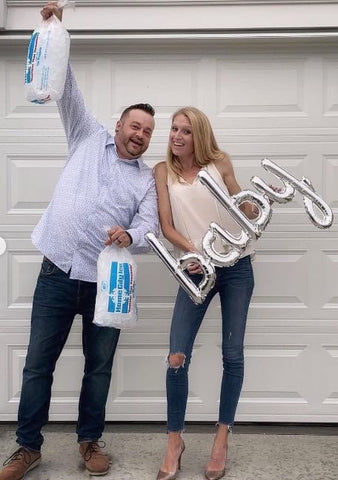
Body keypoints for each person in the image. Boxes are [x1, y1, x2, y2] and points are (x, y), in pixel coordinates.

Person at [0, 3, 158, 480]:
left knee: (99, 368)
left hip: (105, 282)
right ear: (118, 125)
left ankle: (89, 441)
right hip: (56, 271)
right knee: (37, 366)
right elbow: (65, 85)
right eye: (135, 126)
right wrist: (55, 28)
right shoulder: (86, 135)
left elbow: (149, 225)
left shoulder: (146, 179)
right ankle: (28, 447)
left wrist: (130, 233)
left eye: (149, 131)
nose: (141, 136)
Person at [154, 107, 257, 480]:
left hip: (236, 267)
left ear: (199, 135)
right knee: (176, 356)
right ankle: (174, 441)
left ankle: (221, 438)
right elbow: (166, 226)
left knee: (233, 354)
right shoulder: (163, 172)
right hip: (196, 271)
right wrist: (193, 252)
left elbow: (243, 207)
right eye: (173, 129)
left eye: (186, 131)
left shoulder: (220, 164)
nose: (177, 136)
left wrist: (261, 200)